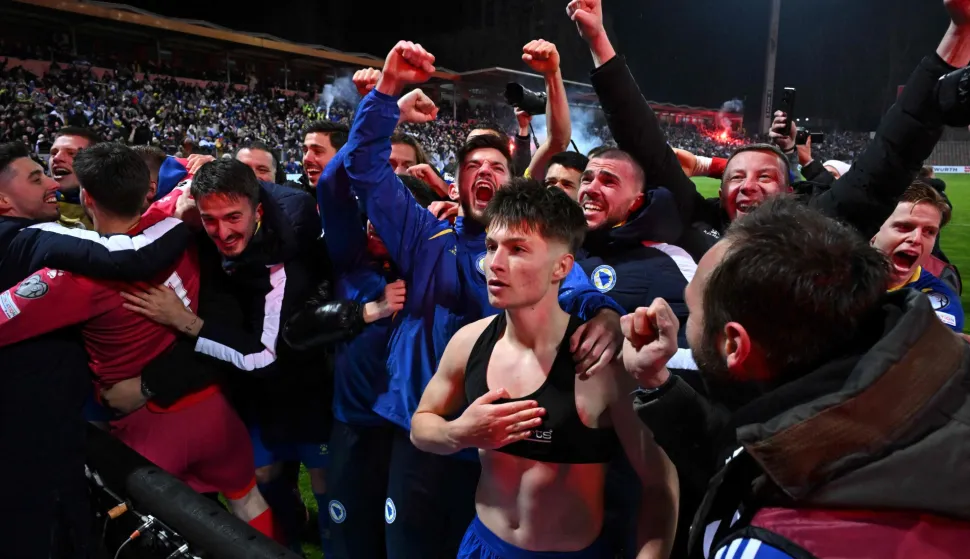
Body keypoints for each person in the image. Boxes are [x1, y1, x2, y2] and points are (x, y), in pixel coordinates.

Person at [343, 41, 626, 558]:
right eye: (472, 165)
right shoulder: (422, 235)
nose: (484, 172)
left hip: (500, 446)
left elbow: (573, 285)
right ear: (457, 180)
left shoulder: (529, 252)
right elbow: (364, 167)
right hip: (423, 433)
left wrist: (603, 312)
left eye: (496, 164)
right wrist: (387, 89)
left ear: (510, 180)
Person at [622, 197, 970, 559]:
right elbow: (763, 456)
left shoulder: (770, 544)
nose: (684, 322)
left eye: (691, 310)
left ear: (733, 343)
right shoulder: (916, 384)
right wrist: (657, 380)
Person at [0, 142, 284, 542]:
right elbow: (183, 187)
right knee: (247, 501)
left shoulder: (70, 277)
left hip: (146, 427)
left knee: (152, 536)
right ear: (145, 190)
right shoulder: (175, 223)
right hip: (213, 412)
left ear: (86, 197)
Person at [569, 0, 970, 259]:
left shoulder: (818, 229)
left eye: (765, 178)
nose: (747, 187)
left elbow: (891, 154)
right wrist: (598, 39)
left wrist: (958, 32)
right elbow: (644, 141)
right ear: (721, 191)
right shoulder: (693, 218)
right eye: (736, 177)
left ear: (787, 192)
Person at [411, 179, 677, 559]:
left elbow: (660, 483)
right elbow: (421, 425)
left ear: (561, 267)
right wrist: (459, 433)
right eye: (491, 247)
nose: (494, 264)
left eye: (517, 249)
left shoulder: (601, 362)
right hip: (482, 545)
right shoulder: (469, 342)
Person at [122, 159, 334, 552]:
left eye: (233, 217)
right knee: (265, 478)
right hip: (248, 390)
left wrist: (187, 322)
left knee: (324, 480)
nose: (222, 232)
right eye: (210, 219)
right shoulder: (192, 217)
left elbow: (267, 357)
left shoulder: (283, 257)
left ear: (259, 211)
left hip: (302, 382)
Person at [0, 141, 194, 558]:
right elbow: (127, 255)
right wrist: (182, 210)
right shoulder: (27, 238)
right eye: (37, 178)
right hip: (34, 430)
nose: (53, 182)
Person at [871, 181, 963, 331]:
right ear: (874, 230)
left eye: (929, 232)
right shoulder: (836, 274)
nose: (916, 239)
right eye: (904, 227)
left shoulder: (941, 302)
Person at [49, 126, 100, 229]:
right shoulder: (30, 210)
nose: (57, 158)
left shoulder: (122, 212)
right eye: (54, 153)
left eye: (71, 153)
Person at [303, 121, 349, 190]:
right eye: (305, 151)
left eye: (317, 151)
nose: (306, 158)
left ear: (342, 156)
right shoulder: (291, 198)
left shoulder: (365, 198)